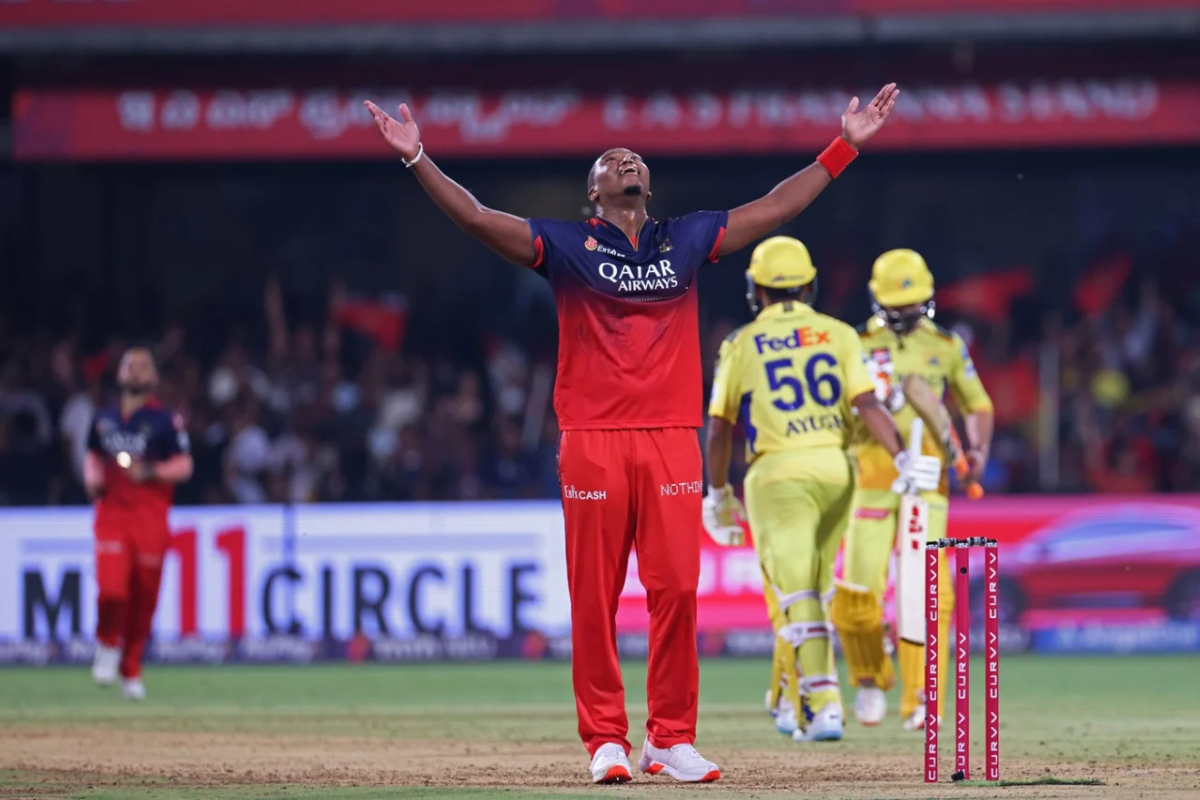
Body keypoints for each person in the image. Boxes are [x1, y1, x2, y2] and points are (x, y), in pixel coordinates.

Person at [364, 84, 899, 783]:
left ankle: (670, 738)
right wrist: (417, 159)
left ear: (648, 185)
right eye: (612, 158)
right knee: (595, 596)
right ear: (594, 192)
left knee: (676, 589)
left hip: (671, 436)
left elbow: (773, 208)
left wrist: (844, 148)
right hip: (593, 437)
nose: (627, 160)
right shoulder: (565, 244)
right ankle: (606, 739)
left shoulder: (687, 238)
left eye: (635, 158)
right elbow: (476, 218)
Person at [702, 237, 940, 742]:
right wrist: (902, 455)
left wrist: (717, 492)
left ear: (756, 290)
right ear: (809, 285)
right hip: (837, 469)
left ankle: (821, 701)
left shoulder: (742, 342)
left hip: (777, 474)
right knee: (815, 588)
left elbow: (720, 427)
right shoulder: (840, 334)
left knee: (794, 593)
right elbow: (868, 405)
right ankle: (786, 694)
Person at [832, 249, 994, 730]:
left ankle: (923, 696)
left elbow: (977, 404)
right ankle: (869, 675)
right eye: (895, 308)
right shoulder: (854, 343)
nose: (904, 315)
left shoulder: (946, 345)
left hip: (927, 480)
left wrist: (977, 451)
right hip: (870, 477)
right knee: (858, 593)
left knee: (929, 590)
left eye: (912, 306)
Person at [86, 346, 193, 700]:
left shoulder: (165, 420)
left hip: (150, 519)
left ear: (154, 377)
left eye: (143, 366)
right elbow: (92, 455)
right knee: (112, 589)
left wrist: (149, 472)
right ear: (120, 373)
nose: (135, 371)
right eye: (129, 366)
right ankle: (106, 643)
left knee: (144, 599)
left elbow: (184, 466)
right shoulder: (104, 417)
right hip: (112, 516)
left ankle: (130, 668)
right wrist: (91, 478)